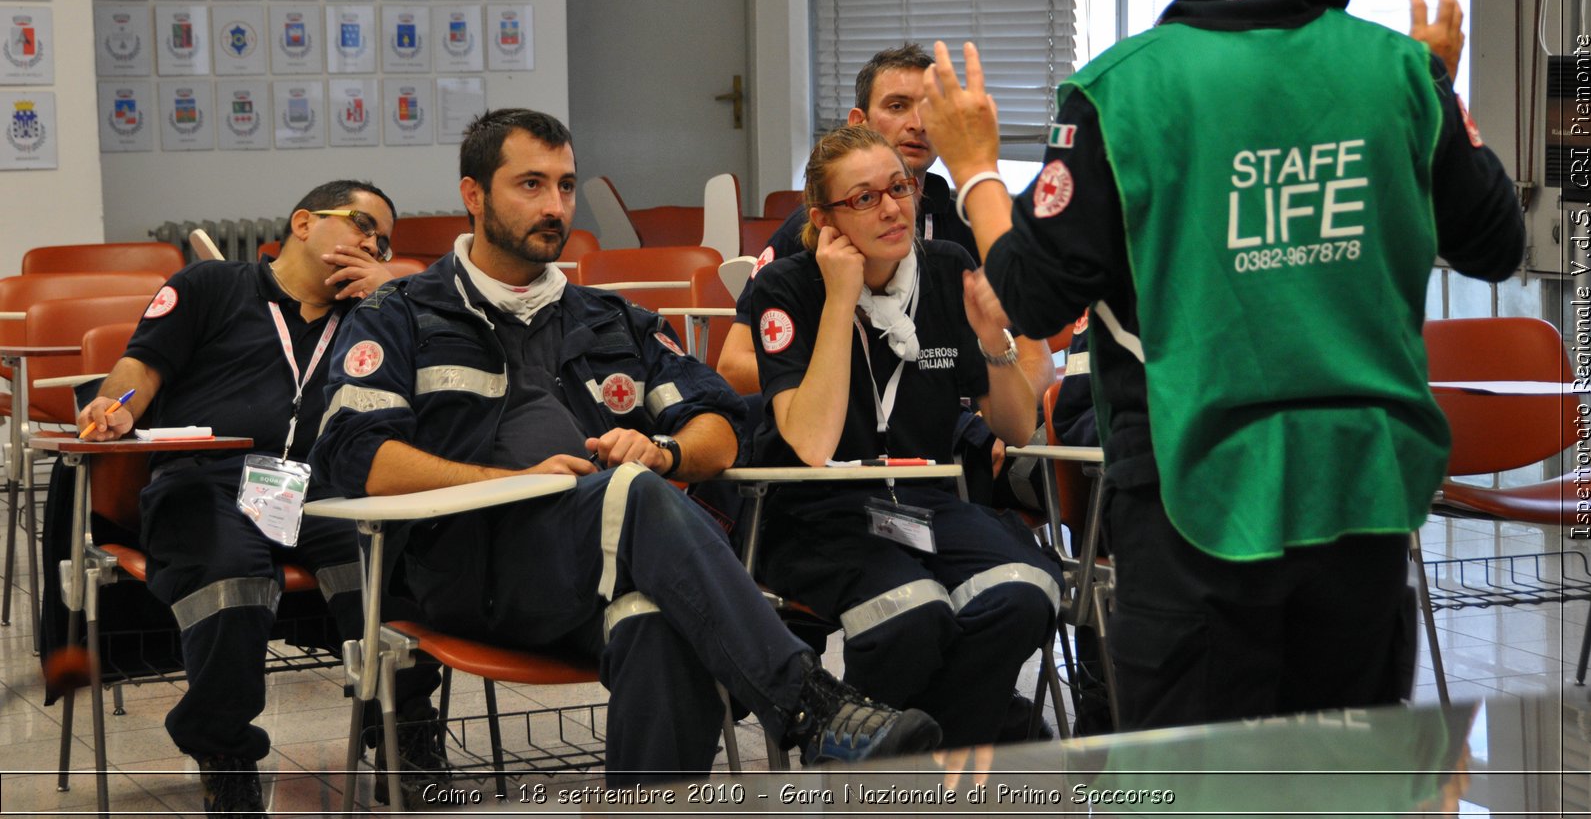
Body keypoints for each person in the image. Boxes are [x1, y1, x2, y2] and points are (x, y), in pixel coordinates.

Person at [920, 0, 1524, 732]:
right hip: (1365, 499)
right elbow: (1497, 243)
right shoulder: (1402, 74)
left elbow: (1032, 295)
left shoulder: (1121, 95)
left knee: (1200, 785)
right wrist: (1436, 89)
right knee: (1350, 789)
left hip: (1194, 505)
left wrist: (975, 172)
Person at [309, 108, 942, 784]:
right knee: (629, 494)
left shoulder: (614, 319)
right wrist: (511, 480)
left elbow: (719, 426)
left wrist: (662, 450)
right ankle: (812, 707)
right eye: (530, 185)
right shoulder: (400, 312)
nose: (554, 206)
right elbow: (360, 458)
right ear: (474, 195)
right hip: (464, 567)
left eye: (565, 185)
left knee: (661, 619)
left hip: (596, 567)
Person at [75, 180, 436, 818]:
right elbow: (141, 367)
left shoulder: (374, 312)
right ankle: (226, 756)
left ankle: (403, 733)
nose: (371, 242)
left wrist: (389, 294)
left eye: (382, 238)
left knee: (387, 557)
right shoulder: (210, 285)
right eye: (360, 223)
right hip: (207, 478)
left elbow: (434, 381)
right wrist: (115, 404)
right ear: (303, 222)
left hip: (322, 484)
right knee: (229, 575)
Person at [746, 124, 1062, 748]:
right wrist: (841, 301)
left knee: (1028, 590)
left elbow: (1017, 427)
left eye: (900, 187)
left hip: (923, 502)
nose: (892, 208)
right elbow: (810, 441)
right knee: (910, 614)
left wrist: (994, 342)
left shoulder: (945, 269)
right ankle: (859, 768)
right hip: (814, 514)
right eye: (864, 198)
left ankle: (930, 759)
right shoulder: (785, 286)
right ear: (824, 218)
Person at [717, 44, 977, 396]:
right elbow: (733, 366)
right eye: (897, 106)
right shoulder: (815, 228)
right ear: (859, 123)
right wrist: (862, 376)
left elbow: (1028, 361)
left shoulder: (969, 222)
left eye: (930, 108)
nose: (918, 124)